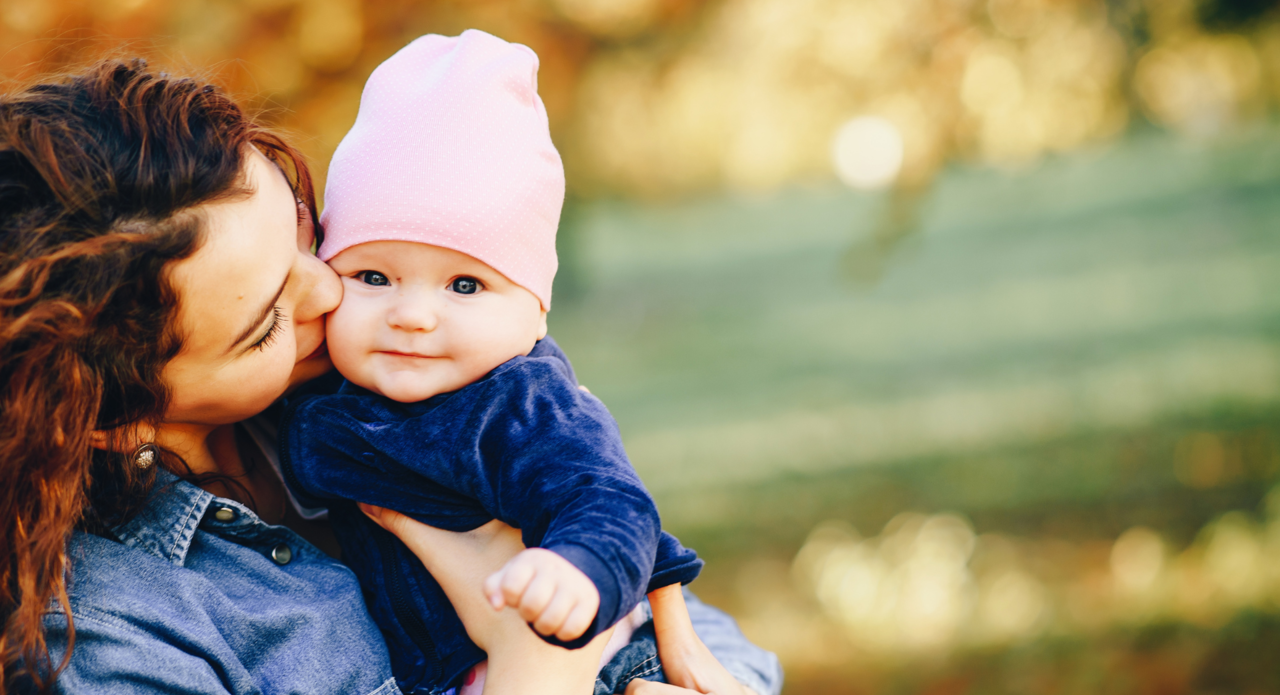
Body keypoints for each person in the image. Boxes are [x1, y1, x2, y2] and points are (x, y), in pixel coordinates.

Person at [0, 58, 782, 695]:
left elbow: (695, 625)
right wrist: (534, 670)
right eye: (268, 322)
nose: (333, 291)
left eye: (311, 237)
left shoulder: (388, 390)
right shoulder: (107, 637)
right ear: (106, 416)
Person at [279, 30, 709, 695]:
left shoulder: (522, 403)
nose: (413, 314)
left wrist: (576, 569)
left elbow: (609, 498)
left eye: (465, 285)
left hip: (596, 661)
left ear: (535, 312)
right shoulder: (328, 389)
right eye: (372, 275)